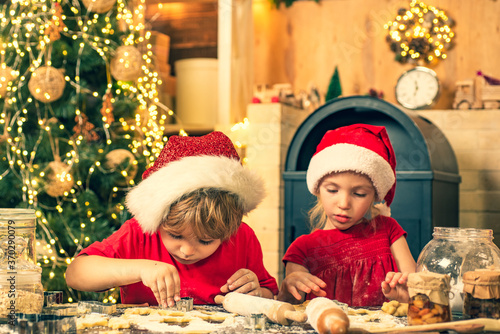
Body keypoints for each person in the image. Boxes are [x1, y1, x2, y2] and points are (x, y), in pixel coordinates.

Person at [65, 131, 278, 307]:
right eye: (175, 235)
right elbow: (76, 274)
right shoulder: (141, 232)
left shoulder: (242, 237)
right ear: (159, 218)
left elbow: (270, 293)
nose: (186, 250)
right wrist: (140, 269)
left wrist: (257, 292)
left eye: (205, 241)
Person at [277, 124, 416, 307]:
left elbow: (418, 290)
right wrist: (288, 289)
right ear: (318, 188)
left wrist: (408, 295)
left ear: (374, 196)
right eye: (333, 190)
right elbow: (290, 307)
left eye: (359, 194)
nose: (343, 204)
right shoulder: (302, 250)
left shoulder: (388, 230)